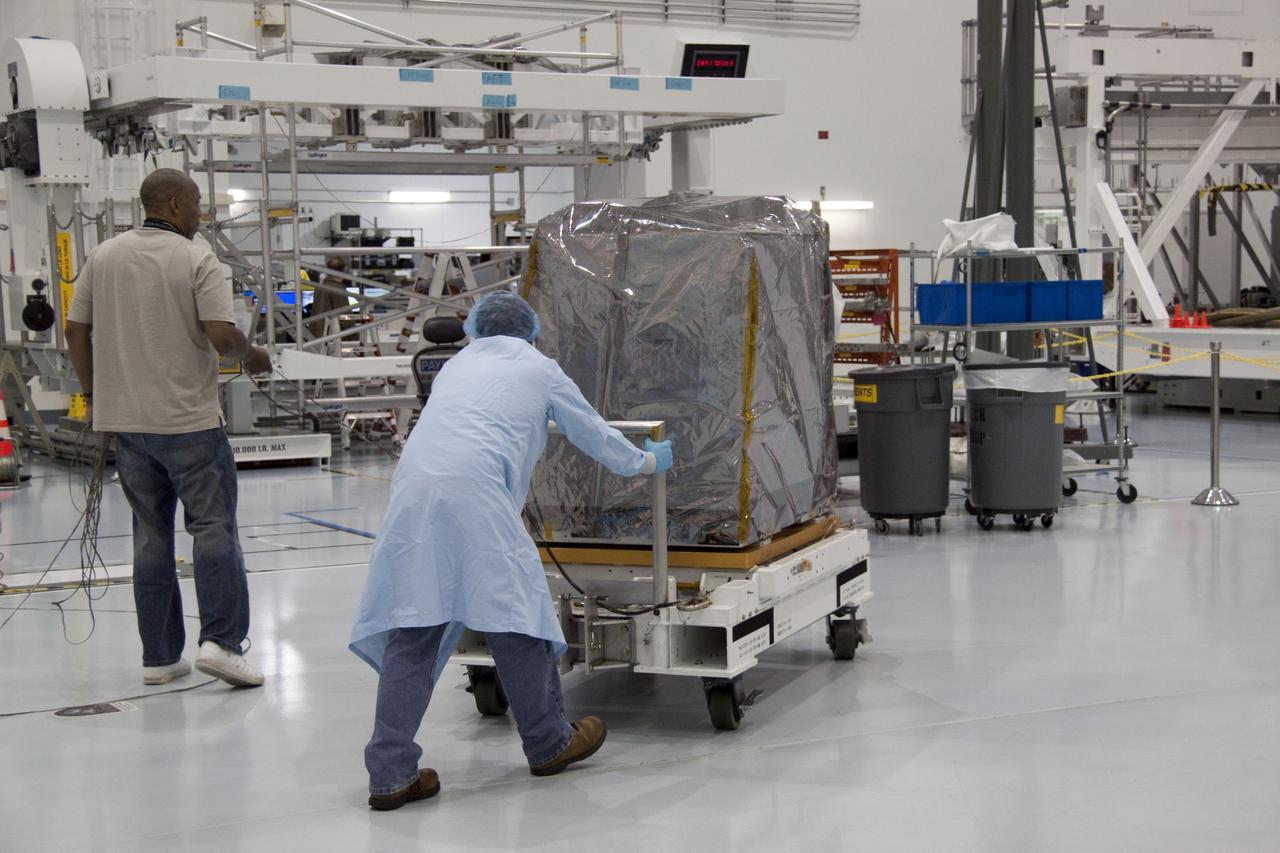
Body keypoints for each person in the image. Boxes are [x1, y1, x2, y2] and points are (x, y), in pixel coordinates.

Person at [349, 291, 674, 811]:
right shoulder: (540, 368)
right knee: (518, 622)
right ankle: (549, 743)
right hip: (476, 496)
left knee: (414, 631)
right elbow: (592, 433)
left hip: (413, 495)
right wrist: (645, 464)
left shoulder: (454, 367)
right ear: (530, 332)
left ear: (476, 330)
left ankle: (389, 775)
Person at [65, 168, 272, 689]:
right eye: (198, 203)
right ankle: (222, 645)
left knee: (150, 537)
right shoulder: (197, 259)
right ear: (176, 205)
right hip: (189, 423)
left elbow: (74, 329)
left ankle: (159, 656)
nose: (202, 214)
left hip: (127, 426)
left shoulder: (104, 254)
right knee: (213, 529)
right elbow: (221, 335)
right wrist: (252, 355)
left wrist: (94, 397)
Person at [307, 256, 353, 341]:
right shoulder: (337, 289)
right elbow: (345, 317)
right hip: (331, 337)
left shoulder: (319, 286)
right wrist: (354, 335)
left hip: (317, 335)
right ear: (343, 270)